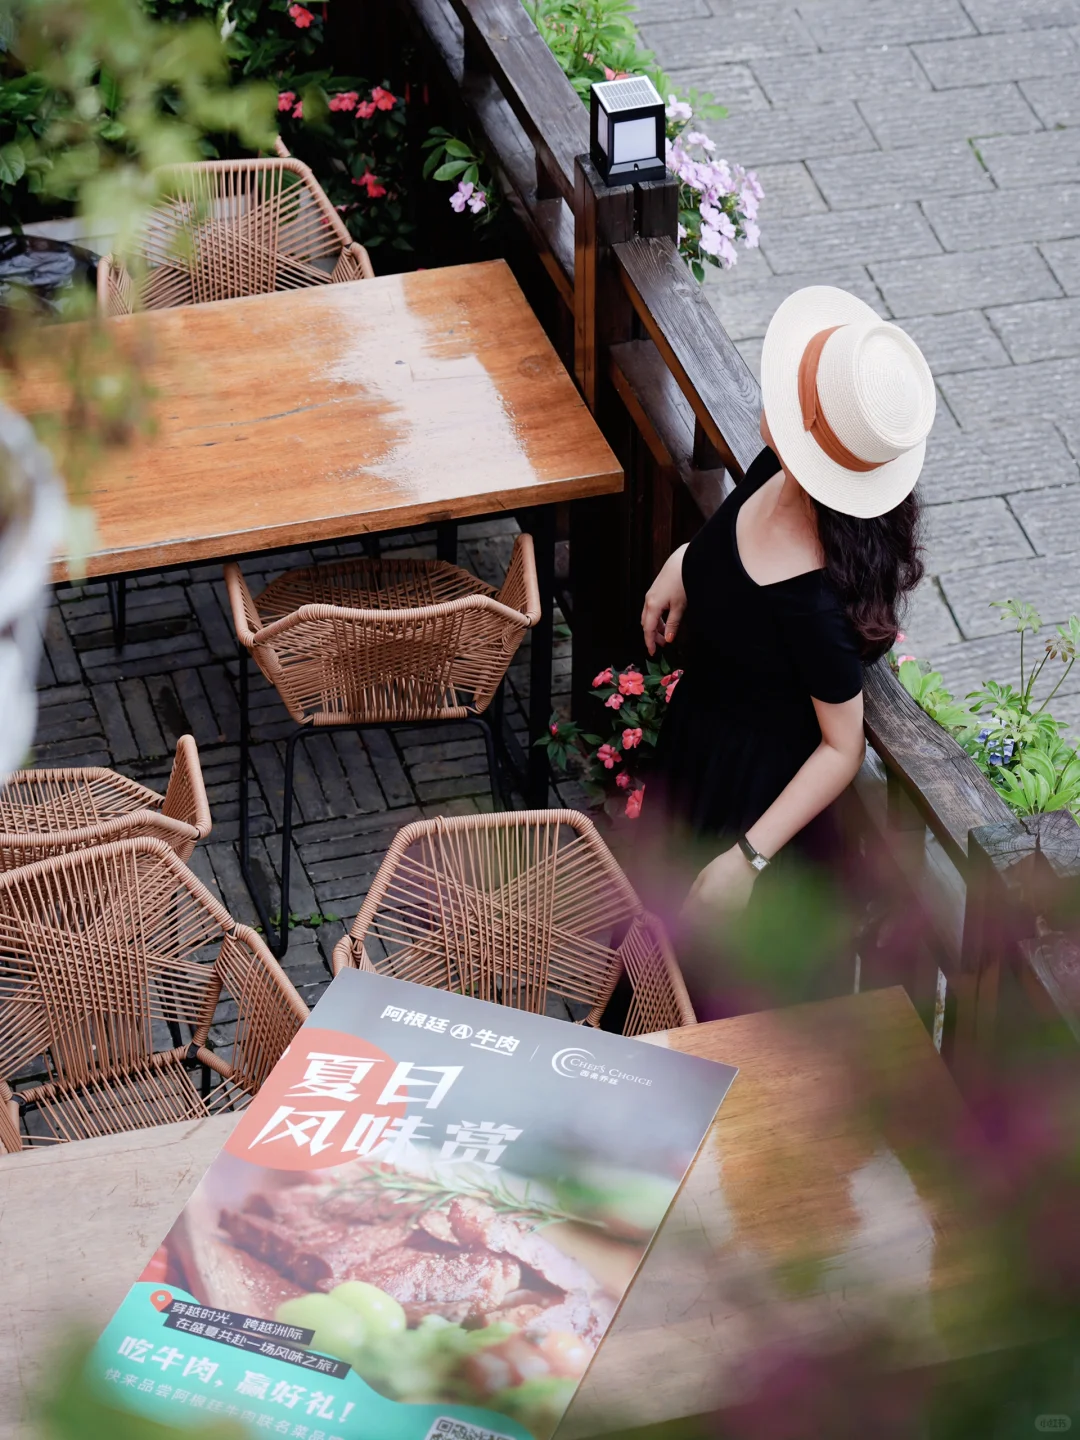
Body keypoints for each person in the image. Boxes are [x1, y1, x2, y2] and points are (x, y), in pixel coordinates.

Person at [642, 284, 935, 919]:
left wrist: (746, 857)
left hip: (744, 792)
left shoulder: (815, 603)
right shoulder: (773, 469)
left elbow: (842, 746)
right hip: (698, 741)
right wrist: (683, 565)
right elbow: (731, 542)